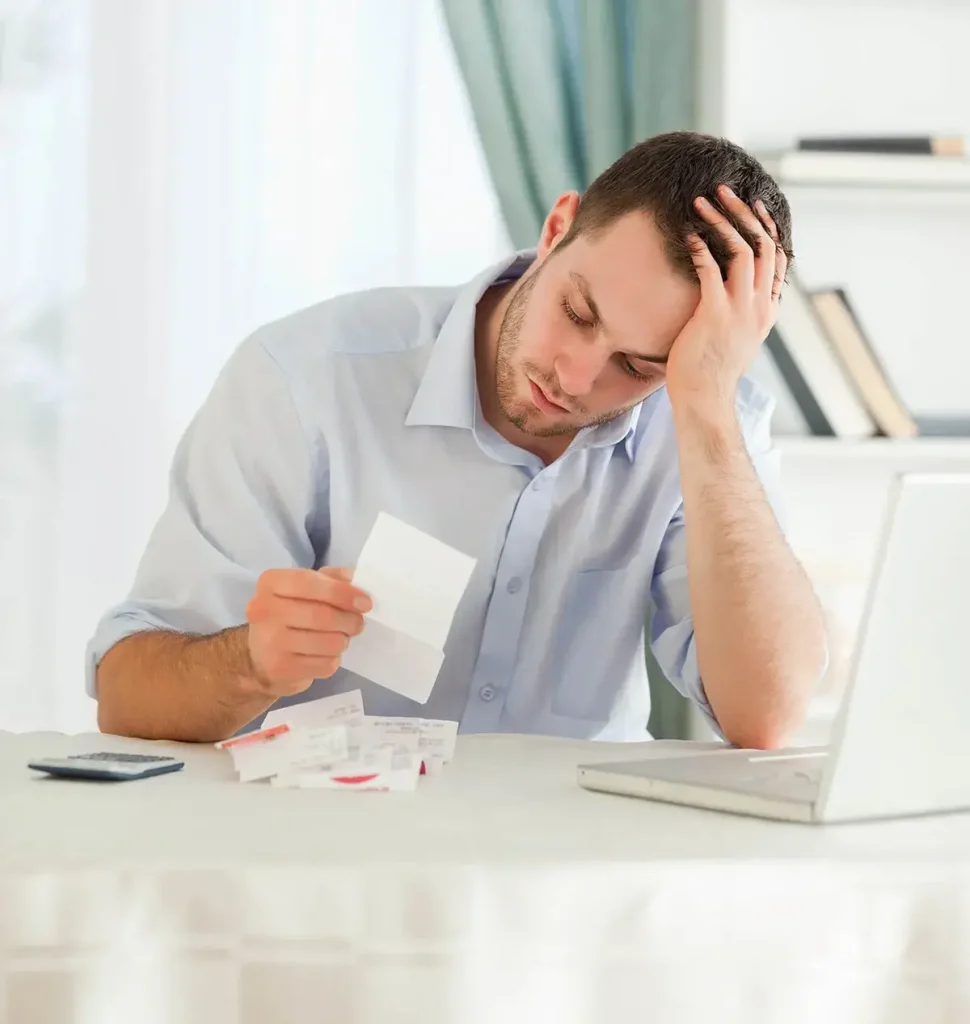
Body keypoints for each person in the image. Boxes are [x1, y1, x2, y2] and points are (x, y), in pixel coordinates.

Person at [91, 130, 827, 747]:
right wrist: (249, 663)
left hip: (563, 875)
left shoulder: (708, 418)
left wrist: (704, 411)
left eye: (637, 365)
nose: (575, 377)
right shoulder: (301, 380)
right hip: (321, 857)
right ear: (555, 228)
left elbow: (767, 716)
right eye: (576, 312)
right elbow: (127, 694)